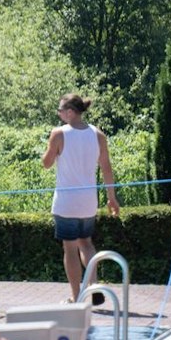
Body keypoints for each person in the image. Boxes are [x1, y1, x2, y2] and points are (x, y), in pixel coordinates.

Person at [41, 93, 118, 300]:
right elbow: (107, 168)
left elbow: (46, 163)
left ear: (70, 112)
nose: (58, 114)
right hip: (88, 202)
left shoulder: (59, 133)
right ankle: (94, 286)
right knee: (86, 243)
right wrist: (112, 198)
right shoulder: (98, 134)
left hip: (66, 203)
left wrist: (49, 149)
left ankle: (77, 297)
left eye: (60, 111)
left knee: (70, 249)